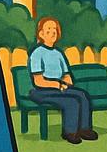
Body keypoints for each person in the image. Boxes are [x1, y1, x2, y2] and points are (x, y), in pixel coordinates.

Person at [28, 17, 97, 145]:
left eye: (55, 29)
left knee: (82, 95)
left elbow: (66, 75)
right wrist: (57, 84)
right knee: (71, 102)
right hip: (42, 91)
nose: (53, 32)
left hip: (60, 88)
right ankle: (69, 132)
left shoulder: (58, 53)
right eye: (49, 30)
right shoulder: (37, 53)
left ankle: (84, 129)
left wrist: (66, 82)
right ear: (41, 34)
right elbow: (38, 80)